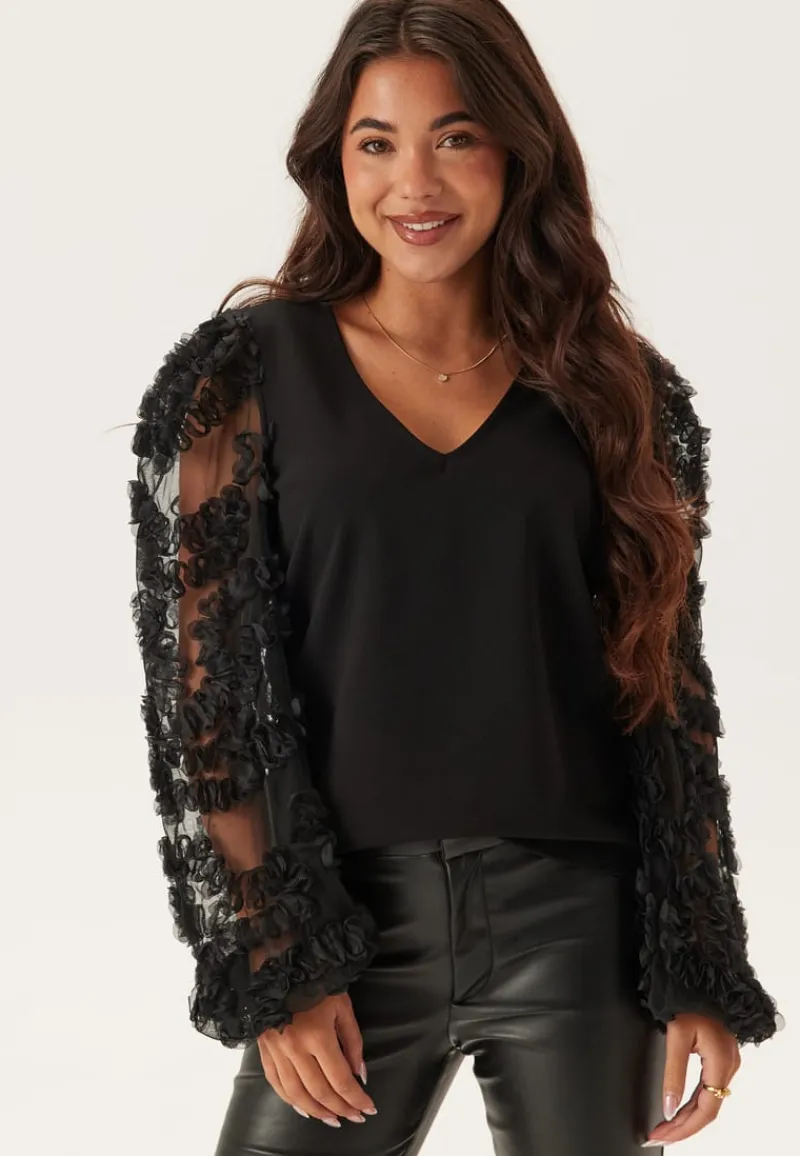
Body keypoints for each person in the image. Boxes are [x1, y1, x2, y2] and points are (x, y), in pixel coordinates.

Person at [128, 1, 782, 1152]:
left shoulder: (613, 389)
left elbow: (662, 687)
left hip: (577, 930)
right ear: (333, 161)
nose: (414, 182)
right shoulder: (245, 373)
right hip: (344, 925)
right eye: (376, 142)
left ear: (516, 152)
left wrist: (695, 959)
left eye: (455, 137)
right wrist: (279, 957)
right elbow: (207, 697)